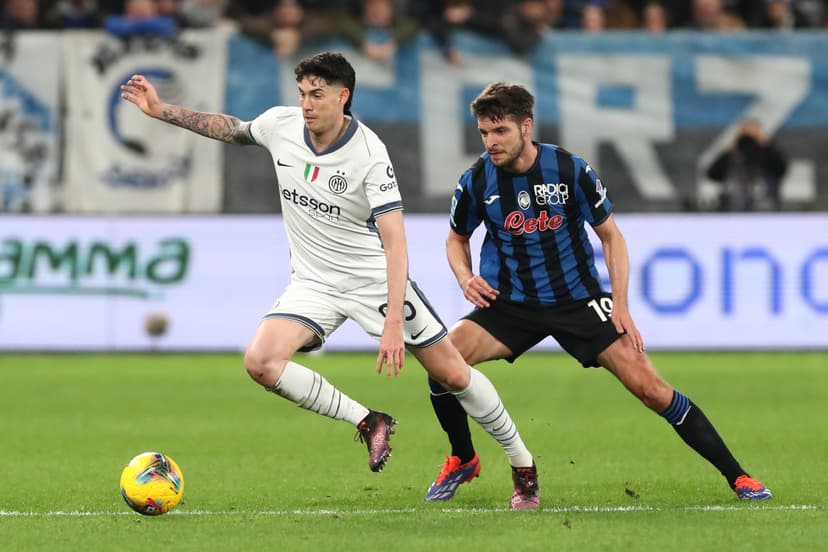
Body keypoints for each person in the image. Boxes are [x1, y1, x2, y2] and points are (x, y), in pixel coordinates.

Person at [120, 53, 535, 488]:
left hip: (371, 281)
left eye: (317, 95)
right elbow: (232, 129)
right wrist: (159, 110)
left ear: (343, 96)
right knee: (261, 362)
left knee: (451, 374)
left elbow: (395, 243)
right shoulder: (281, 126)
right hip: (313, 282)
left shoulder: (370, 154)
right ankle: (368, 421)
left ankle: (522, 463)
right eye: (302, 94)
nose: (307, 104)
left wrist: (393, 320)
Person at [424, 82, 772, 507]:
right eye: (484, 133)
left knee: (652, 390)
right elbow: (455, 239)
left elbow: (611, 237)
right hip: (510, 305)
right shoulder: (476, 180)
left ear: (525, 126)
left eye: (500, 131)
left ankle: (739, 477)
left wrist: (620, 306)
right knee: (440, 359)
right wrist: (464, 277)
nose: (491, 142)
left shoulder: (570, 170)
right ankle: (463, 457)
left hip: (579, 301)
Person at [706, 118, 788, 211]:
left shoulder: (767, 155)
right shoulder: (734, 156)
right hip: (733, 210)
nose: (749, 140)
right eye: (745, 133)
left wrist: (765, 143)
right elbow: (712, 174)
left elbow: (782, 169)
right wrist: (732, 149)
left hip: (764, 211)